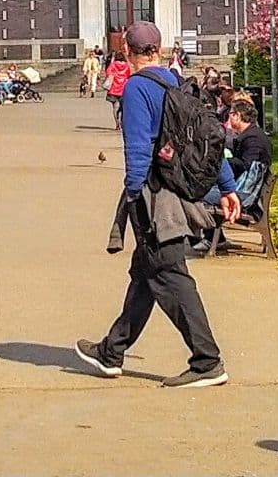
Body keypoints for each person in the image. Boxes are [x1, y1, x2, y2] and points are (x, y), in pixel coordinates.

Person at [75, 21, 240, 390]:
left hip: (154, 195)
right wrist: (227, 186)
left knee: (168, 273)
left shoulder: (137, 88)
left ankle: (207, 361)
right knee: (146, 273)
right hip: (178, 189)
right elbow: (206, 141)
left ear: (127, 52)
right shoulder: (177, 83)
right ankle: (112, 351)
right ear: (161, 49)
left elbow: (137, 148)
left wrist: (133, 194)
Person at [104, 51, 132, 128]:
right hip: (123, 88)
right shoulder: (126, 65)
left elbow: (108, 73)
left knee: (115, 107)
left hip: (113, 88)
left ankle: (117, 123)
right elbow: (129, 74)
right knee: (123, 107)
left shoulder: (113, 65)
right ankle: (122, 121)